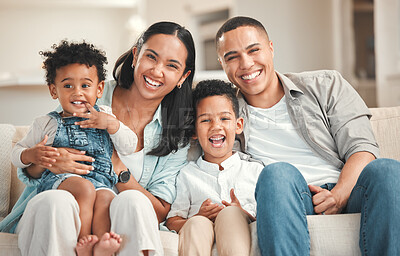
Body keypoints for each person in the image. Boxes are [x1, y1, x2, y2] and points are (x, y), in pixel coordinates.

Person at [1, 21, 195, 256]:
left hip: (114, 209)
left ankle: (100, 245)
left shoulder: (176, 133)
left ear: (183, 76)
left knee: (133, 199)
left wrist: (116, 166)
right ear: (136, 55)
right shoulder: (88, 90)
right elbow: (33, 164)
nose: (156, 71)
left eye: (171, 65)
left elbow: (159, 210)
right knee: (56, 202)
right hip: (60, 201)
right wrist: (49, 161)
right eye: (151, 57)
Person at [215, 16, 400, 256]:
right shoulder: (224, 113)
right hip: (285, 195)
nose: (246, 63)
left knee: (387, 170)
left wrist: (339, 195)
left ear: (271, 48)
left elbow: (362, 147)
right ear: (222, 63)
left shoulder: (326, 84)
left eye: (254, 50)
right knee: (277, 173)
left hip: (349, 188)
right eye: (232, 57)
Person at [10, 40, 138, 255]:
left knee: (106, 199)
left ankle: (100, 244)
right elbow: (16, 154)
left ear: (99, 89)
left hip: (100, 180)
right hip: (61, 182)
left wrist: (112, 125)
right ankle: (84, 242)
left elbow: (129, 146)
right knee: (84, 189)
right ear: (53, 90)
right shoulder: (47, 123)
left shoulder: (105, 114)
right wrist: (32, 154)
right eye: (68, 86)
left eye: (85, 86)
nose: (77, 92)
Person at [166, 79, 264, 256]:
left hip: (239, 233)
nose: (216, 126)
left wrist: (244, 213)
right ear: (194, 131)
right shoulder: (187, 175)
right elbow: (172, 221)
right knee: (197, 223)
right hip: (199, 232)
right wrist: (199, 216)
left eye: (224, 118)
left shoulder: (255, 171)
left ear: (238, 125)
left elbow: (268, 219)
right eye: (205, 120)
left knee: (231, 214)